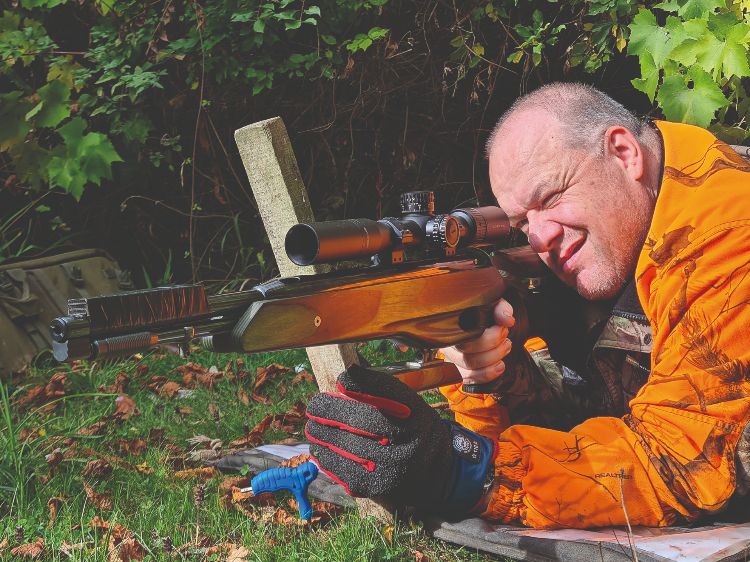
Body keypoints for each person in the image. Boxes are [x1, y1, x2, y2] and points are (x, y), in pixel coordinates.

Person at [304, 82, 750, 528]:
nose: (539, 239)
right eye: (520, 223)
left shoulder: (727, 232)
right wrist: (483, 368)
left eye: (551, 197)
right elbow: (575, 415)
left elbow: (681, 458)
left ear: (623, 152)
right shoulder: (616, 239)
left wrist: (465, 474)